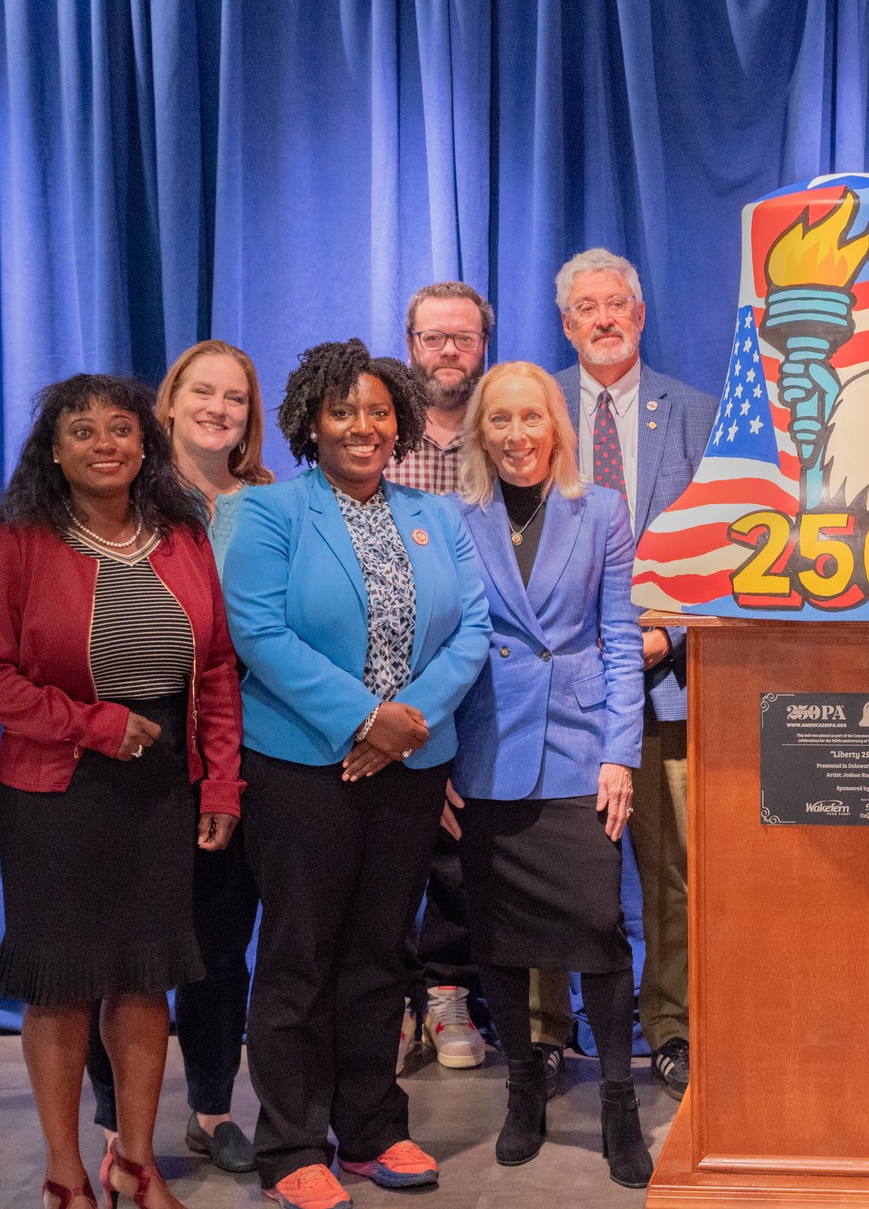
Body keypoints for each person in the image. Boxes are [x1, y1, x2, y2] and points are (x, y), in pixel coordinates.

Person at [0, 374, 243, 1209]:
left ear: (145, 442)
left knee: (145, 977)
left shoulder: (181, 535)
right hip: (57, 788)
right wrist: (91, 724)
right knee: (62, 982)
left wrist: (221, 781)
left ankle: (134, 1163)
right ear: (53, 450)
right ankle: (65, 1172)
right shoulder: (18, 541)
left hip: (164, 784)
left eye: (121, 427)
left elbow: (215, 668)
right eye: (82, 431)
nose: (105, 443)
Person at [223, 340, 491, 1209]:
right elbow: (259, 630)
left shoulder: (435, 513)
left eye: (378, 411)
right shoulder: (271, 512)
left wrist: (405, 722)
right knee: (299, 954)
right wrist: (364, 718)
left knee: (382, 950)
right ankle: (293, 1142)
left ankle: (372, 1127)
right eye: (343, 411)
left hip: (411, 765)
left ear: (399, 422)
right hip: (303, 764)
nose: (363, 426)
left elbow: (474, 629)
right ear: (311, 422)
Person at [448, 361, 652, 1187]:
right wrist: (437, 756)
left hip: (579, 744)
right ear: (480, 431)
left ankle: (617, 1099)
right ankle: (523, 1087)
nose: (517, 434)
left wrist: (619, 752)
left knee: (598, 928)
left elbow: (623, 636)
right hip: (487, 746)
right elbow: (441, 641)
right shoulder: (454, 517)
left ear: (556, 426)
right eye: (500, 419)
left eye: (531, 417)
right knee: (498, 934)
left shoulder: (600, 509)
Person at [81, 340, 275, 1176]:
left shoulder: (272, 502)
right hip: (142, 752)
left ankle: (212, 1106)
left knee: (218, 943)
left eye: (236, 397)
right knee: (119, 945)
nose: (218, 409)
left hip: (245, 752)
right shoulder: (126, 498)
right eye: (203, 391)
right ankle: (114, 1120)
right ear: (169, 401)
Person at [552, 247, 714, 1099]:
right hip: (558, 694)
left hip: (667, 687)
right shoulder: (534, 411)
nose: (604, 318)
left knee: (674, 875)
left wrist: (664, 636)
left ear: (640, 315)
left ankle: (672, 1026)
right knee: (548, 868)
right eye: (587, 307)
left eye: (617, 303)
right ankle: (543, 1033)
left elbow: (728, 546)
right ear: (566, 324)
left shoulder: (697, 414)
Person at [386, 281, 494, 1074]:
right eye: (434, 337)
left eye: (463, 337)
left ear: (483, 345)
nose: (448, 351)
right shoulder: (378, 434)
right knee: (390, 844)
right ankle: (391, 997)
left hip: (479, 671)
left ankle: (449, 990)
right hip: (386, 676)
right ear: (411, 344)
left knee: (463, 841)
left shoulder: (506, 432)